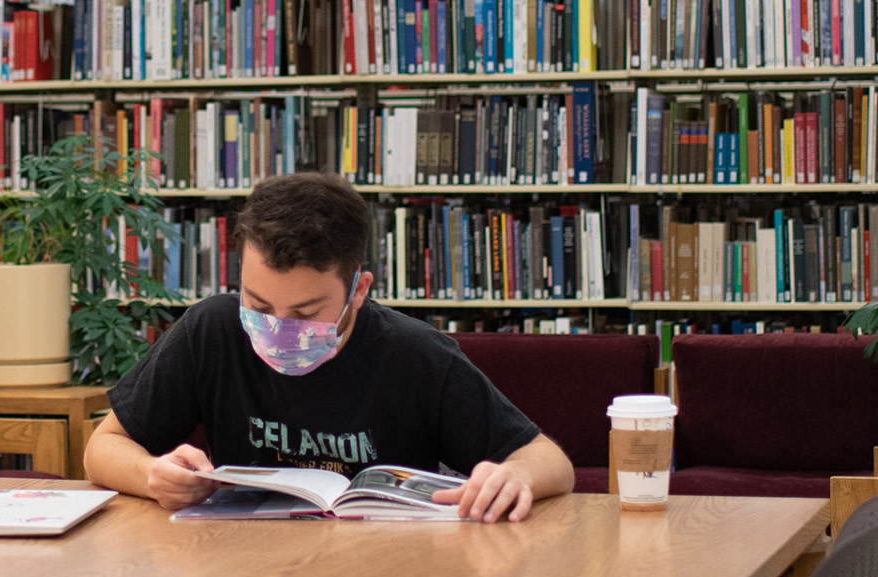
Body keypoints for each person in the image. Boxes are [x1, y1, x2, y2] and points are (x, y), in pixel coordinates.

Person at [84, 173, 575, 523]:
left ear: (358, 291)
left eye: (305, 313)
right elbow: (102, 449)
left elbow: (549, 460)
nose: (278, 329)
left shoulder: (416, 355)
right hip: (242, 565)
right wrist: (152, 474)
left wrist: (516, 477)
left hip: (387, 570)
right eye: (258, 304)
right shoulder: (211, 330)